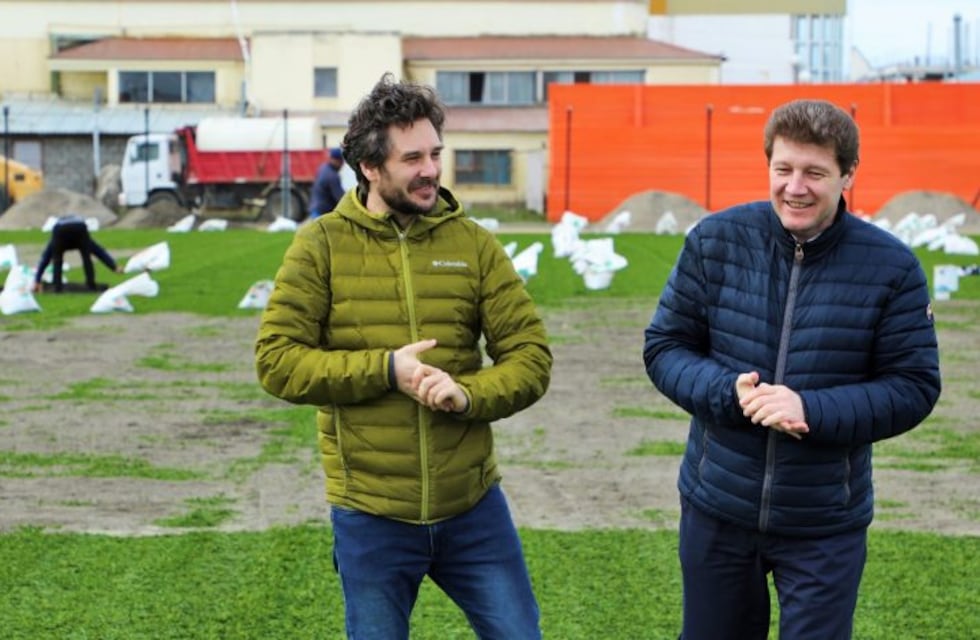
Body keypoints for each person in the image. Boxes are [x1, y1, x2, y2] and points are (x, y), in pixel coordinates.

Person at [255, 73, 552, 639]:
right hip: (370, 513)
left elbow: (530, 357)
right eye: (412, 157)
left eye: (435, 153)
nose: (431, 170)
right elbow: (277, 360)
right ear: (370, 166)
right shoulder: (320, 246)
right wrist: (385, 368)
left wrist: (469, 395)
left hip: (472, 507)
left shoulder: (474, 244)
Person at [642, 99, 941, 640]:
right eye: (783, 169)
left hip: (825, 521)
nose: (795, 187)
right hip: (718, 508)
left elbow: (914, 386)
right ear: (768, 166)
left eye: (815, 173)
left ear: (848, 174)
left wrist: (811, 409)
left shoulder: (892, 267)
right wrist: (725, 391)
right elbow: (665, 346)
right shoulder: (715, 242)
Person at [33, 214, 123, 293]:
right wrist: (114, 267)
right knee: (86, 258)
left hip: (60, 230)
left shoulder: (54, 240)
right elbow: (98, 251)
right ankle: (91, 285)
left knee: (57, 260)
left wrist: (37, 280)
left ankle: (58, 288)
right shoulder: (83, 234)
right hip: (79, 227)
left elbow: (45, 259)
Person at [308, 146, 345, 219]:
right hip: (322, 213)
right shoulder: (332, 176)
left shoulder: (323, 167)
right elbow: (340, 198)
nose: (342, 165)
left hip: (315, 209)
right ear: (336, 160)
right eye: (341, 161)